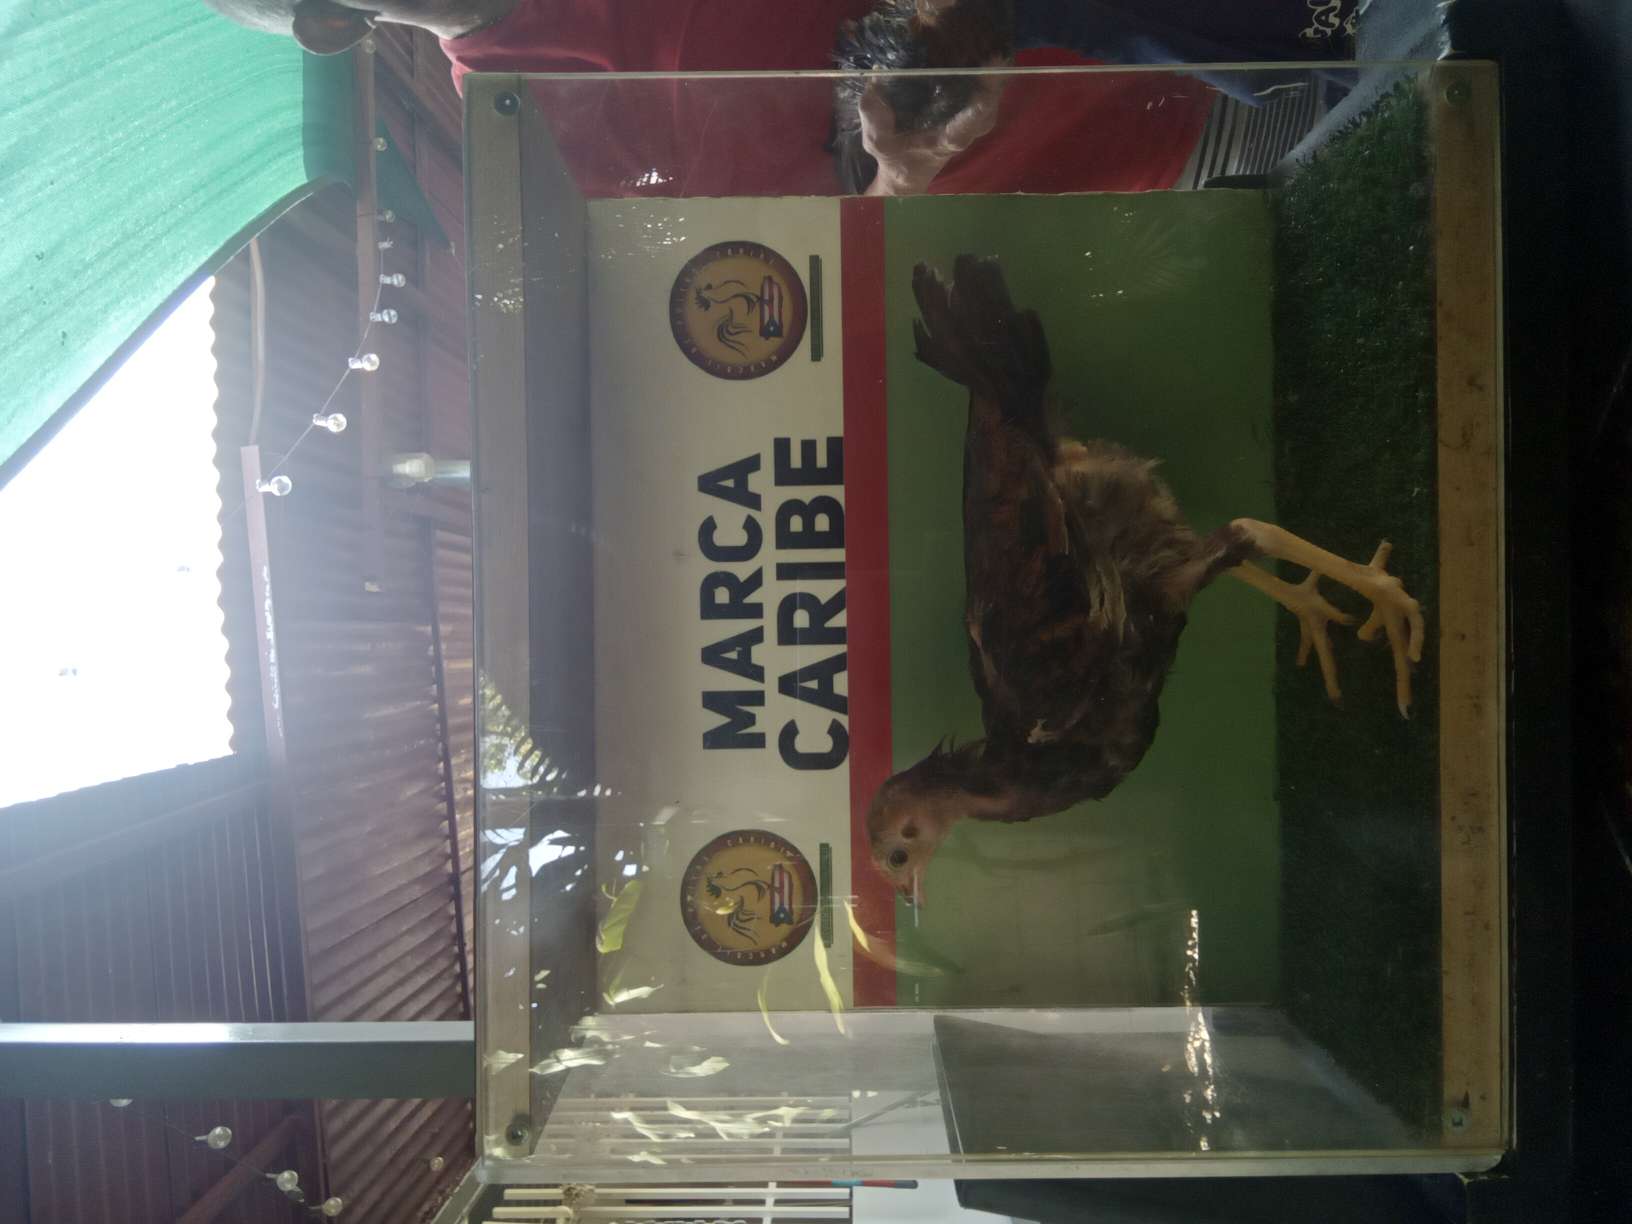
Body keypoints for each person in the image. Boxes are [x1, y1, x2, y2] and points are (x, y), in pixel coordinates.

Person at [203, 1, 1349, 198]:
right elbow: (797, 308)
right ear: (331, 25)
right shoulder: (535, 141)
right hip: (1187, 138)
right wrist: (905, 167)